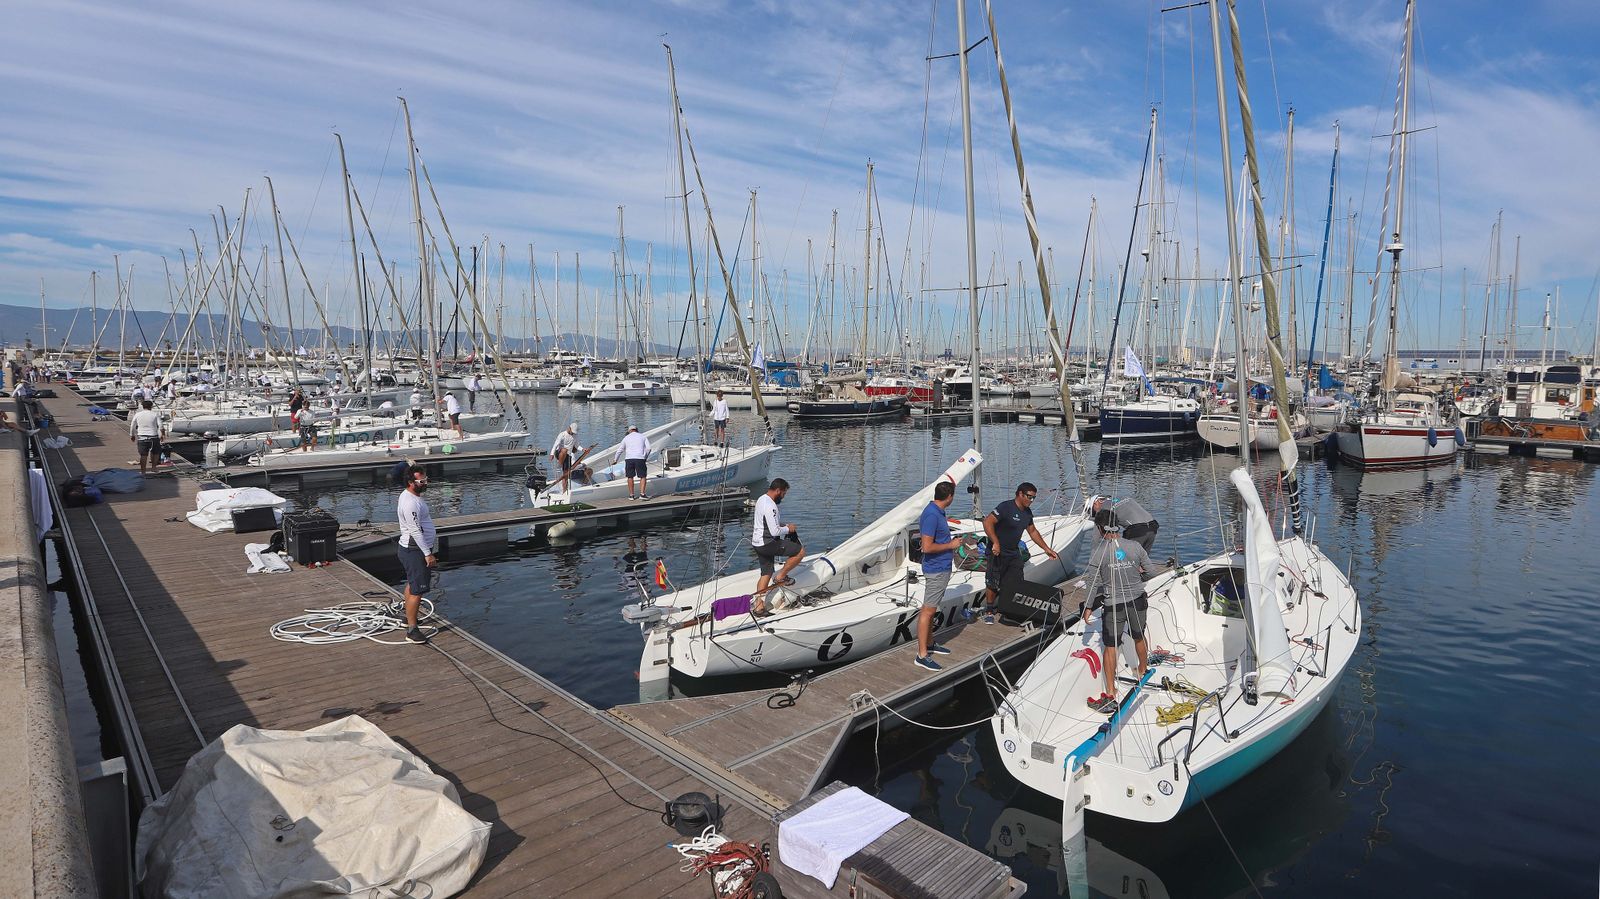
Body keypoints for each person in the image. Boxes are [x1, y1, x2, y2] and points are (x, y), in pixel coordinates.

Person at [1079, 508, 1161, 714]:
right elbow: (1151, 572)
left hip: (1114, 605)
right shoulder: (1134, 546)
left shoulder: (1099, 552)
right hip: (1137, 600)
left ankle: (1111, 690)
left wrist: (1088, 607)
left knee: (1110, 645)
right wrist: (1137, 578)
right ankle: (1142, 670)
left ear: (1099, 528)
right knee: (1138, 635)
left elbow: (1092, 582)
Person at [978, 483, 1060, 623]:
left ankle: (1010, 609)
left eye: (1034, 497)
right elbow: (987, 522)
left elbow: (1033, 531)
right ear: (1020, 494)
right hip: (997, 551)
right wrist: (995, 542)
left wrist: (1047, 549)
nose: (1032, 500)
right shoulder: (1005, 507)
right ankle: (989, 610)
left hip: (1013, 552)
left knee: (1017, 581)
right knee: (993, 582)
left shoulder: (1027, 513)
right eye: (1029, 497)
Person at [913, 481, 962, 671]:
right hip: (936, 569)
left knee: (932, 609)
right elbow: (927, 547)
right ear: (950, 497)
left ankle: (931, 643)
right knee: (928, 611)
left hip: (941, 567)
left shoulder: (938, 511)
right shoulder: (932, 515)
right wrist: (951, 545)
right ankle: (922, 654)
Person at [395, 465, 438, 644]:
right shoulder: (410, 502)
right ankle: (412, 631)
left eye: (426, 479)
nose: (425, 483)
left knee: (412, 585)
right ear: (411, 482)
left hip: (414, 550)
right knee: (417, 590)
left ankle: (408, 618)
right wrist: (428, 554)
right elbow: (414, 530)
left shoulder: (412, 496)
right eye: (422, 481)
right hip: (415, 551)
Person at [751, 478, 805, 614]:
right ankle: (781, 577)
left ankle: (759, 607)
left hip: (757, 543)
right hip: (768, 543)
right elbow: (775, 531)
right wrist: (789, 528)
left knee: (766, 573)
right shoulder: (771, 506)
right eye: (784, 494)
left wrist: (782, 526)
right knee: (800, 552)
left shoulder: (761, 499)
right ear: (778, 490)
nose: (783, 497)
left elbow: (767, 524)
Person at [1091, 495, 1162, 555]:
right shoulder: (1121, 497)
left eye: (1093, 511)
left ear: (1096, 503)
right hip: (1153, 527)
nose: (1095, 514)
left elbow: (1097, 535)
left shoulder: (1104, 509)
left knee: (1126, 559)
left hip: (1137, 530)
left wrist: (1095, 553)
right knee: (1143, 559)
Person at [128, 399, 164, 475]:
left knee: (143, 455)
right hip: (153, 437)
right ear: (151, 406)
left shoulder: (137, 414)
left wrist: (132, 435)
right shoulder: (155, 414)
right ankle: (154, 468)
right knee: (156, 453)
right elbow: (161, 426)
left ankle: (143, 471)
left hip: (142, 437)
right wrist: (162, 435)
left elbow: (132, 426)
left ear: (142, 406)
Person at [620, 424, 651, 499]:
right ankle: (642, 494)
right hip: (640, 458)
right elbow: (649, 448)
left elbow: (620, 450)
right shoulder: (643, 436)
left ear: (629, 431)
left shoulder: (626, 438)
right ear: (637, 430)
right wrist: (645, 457)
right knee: (643, 476)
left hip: (629, 459)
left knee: (630, 477)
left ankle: (631, 495)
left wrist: (615, 460)